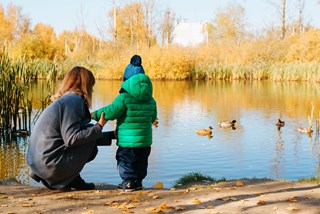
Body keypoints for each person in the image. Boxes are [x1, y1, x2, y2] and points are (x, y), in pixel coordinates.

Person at [26, 66, 115, 192]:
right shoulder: (74, 101)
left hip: (39, 162)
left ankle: (61, 178)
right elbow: (72, 139)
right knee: (90, 133)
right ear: (86, 85)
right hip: (50, 164)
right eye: (91, 86)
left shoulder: (66, 99)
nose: (93, 90)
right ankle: (70, 178)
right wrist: (99, 126)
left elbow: (69, 138)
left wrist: (111, 135)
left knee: (89, 132)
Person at [91, 69, 157, 192]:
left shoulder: (123, 98)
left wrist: (93, 115)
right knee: (141, 161)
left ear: (128, 83)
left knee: (126, 160)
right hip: (144, 141)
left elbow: (110, 111)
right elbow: (153, 118)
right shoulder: (152, 101)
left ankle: (128, 182)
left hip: (127, 141)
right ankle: (138, 182)